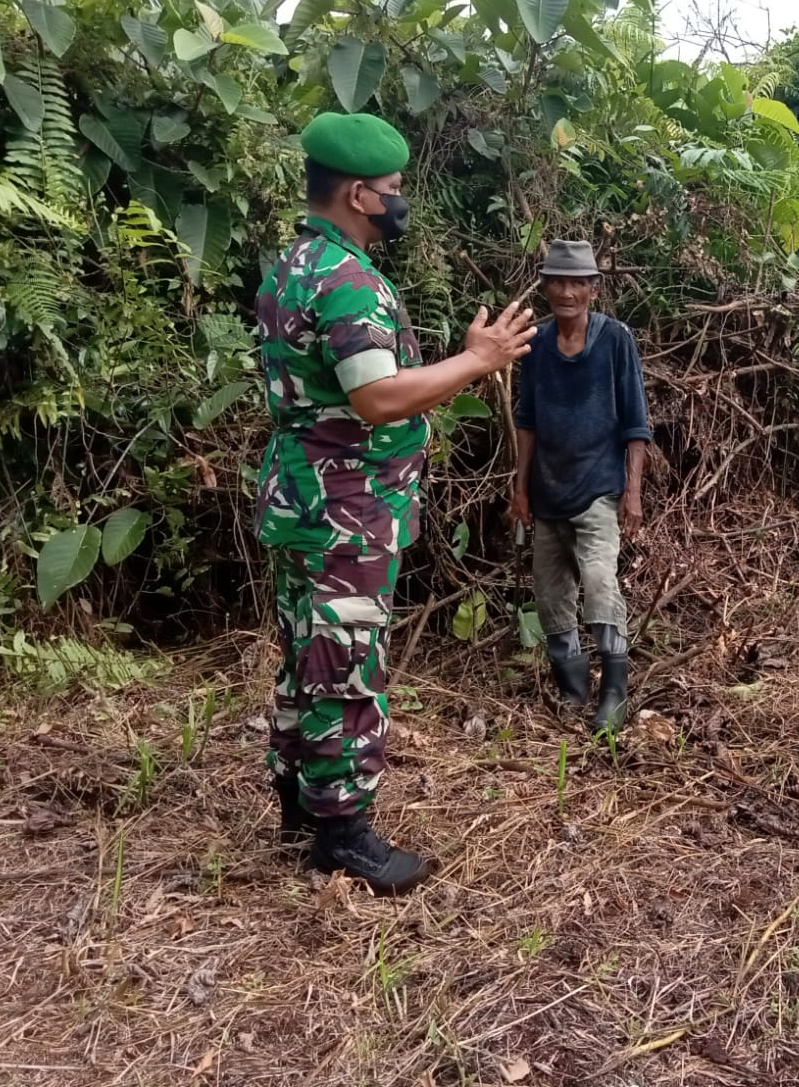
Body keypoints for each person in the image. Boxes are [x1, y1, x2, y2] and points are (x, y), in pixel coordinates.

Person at [256, 111, 536, 895]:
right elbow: (377, 397)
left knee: (305, 656)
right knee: (344, 663)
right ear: (357, 194)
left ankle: (298, 801)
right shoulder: (345, 281)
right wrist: (477, 362)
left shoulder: (293, 265)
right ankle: (341, 832)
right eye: (392, 190)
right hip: (343, 508)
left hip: (303, 500)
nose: (399, 200)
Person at [508, 240, 651, 735]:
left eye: (578, 283)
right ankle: (573, 690)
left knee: (598, 582)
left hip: (599, 487)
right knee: (550, 596)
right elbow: (527, 420)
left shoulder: (615, 340)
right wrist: (521, 487)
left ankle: (614, 691)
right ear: (545, 286)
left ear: (593, 288)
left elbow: (636, 422)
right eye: (558, 282)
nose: (567, 292)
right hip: (547, 489)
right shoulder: (537, 344)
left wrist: (632, 492)